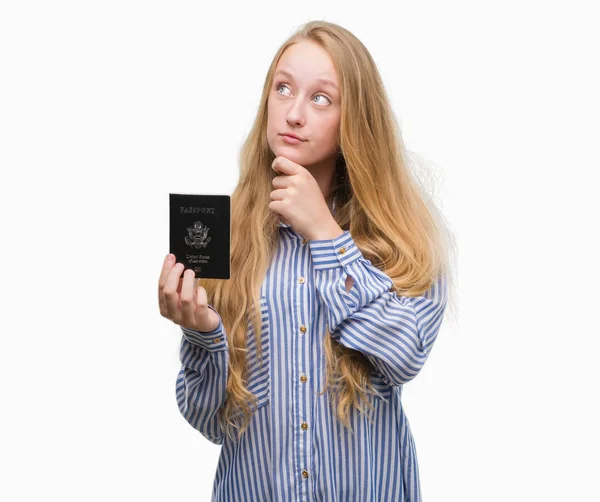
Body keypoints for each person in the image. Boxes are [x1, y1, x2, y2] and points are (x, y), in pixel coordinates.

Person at [158, 19, 455, 502]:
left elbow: (404, 357)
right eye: (283, 88)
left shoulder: (402, 238)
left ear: (354, 121)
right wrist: (201, 332)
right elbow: (211, 422)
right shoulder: (224, 238)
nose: (294, 113)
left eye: (321, 98)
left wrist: (325, 234)